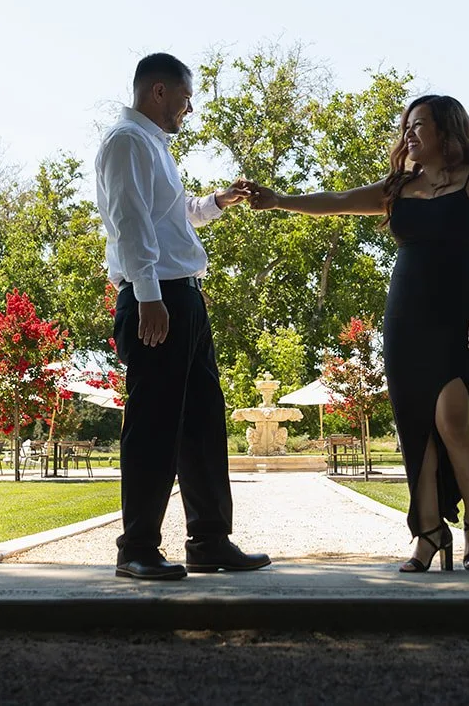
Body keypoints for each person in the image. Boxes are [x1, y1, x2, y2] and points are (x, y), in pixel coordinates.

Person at [242, 95, 469, 572]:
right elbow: (339, 201)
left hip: (458, 313)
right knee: (414, 427)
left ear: (447, 131)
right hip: (405, 318)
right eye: (406, 125)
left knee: (452, 418)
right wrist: (281, 200)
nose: (409, 134)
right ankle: (427, 533)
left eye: (419, 125)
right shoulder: (398, 188)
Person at [95, 53, 271, 581]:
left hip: (183, 297)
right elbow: (129, 222)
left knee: (201, 423)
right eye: (186, 97)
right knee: (153, 426)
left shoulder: (153, 146)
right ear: (158, 91)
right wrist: (149, 296)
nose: (189, 109)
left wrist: (218, 202)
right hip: (159, 300)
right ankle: (138, 548)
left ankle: (210, 541)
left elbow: (172, 216)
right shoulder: (126, 142)